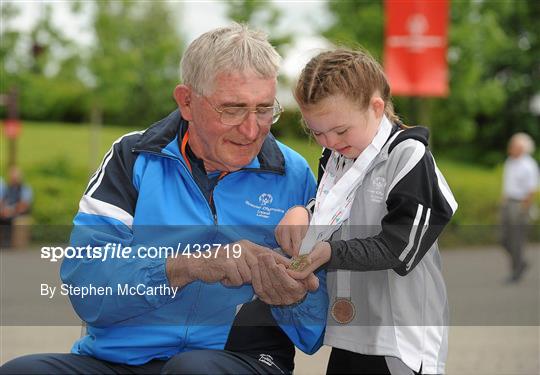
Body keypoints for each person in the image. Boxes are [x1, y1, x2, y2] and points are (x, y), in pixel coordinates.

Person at [1, 24, 327, 374]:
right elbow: (86, 286)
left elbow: (313, 333)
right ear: (186, 101)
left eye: (264, 109)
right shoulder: (132, 157)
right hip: (115, 361)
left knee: (192, 369)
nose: (252, 130)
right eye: (232, 109)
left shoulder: (294, 175)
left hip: (241, 360)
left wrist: (296, 298)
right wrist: (187, 266)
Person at [275, 49, 458, 374]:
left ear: (376, 107)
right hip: (351, 332)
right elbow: (335, 210)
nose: (329, 141)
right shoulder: (338, 156)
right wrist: (302, 212)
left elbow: (400, 246)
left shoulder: (408, 156)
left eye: (340, 130)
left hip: (400, 339)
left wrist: (329, 253)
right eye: (316, 132)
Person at [500, 132, 539, 283]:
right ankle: (521, 263)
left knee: (516, 239)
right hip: (508, 202)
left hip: (519, 204)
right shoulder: (510, 161)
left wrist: (525, 208)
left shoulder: (529, 165)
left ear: (522, 148)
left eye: (514, 145)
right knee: (503, 238)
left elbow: (532, 190)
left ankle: (516, 271)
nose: (510, 147)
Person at [0, 166, 33, 248]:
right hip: (6, 211)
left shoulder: (25, 189)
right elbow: (2, 201)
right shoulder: (7, 188)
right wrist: (3, 210)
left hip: (18, 212)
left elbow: (24, 205)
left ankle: (9, 242)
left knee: (10, 219)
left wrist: (11, 211)